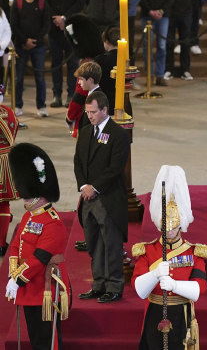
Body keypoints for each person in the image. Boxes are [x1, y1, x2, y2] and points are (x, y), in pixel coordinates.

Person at [132, 165, 207, 350]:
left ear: (181, 224)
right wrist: (155, 274)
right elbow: (139, 290)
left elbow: (200, 288)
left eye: (174, 226)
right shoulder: (147, 251)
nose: (169, 231)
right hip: (156, 311)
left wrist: (175, 286)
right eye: (165, 226)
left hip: (182, 314)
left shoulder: (193, 252)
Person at [5, 143, 71, 350]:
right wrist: (12, 274)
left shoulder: (54, 222)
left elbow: (40, 257)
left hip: (45, 289)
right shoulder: (28, 216)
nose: (24, 200)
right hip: (29, 287)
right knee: (36, 339)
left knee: (46, 341)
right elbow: (16, 246)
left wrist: (17, 279)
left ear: (39, 194)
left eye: (26, 196)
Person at [74, 90, 130, 303]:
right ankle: (98, 284)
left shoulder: (119, 135)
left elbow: (115, 168)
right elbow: (78, 162)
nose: (89, 116)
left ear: (105, 110)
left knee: (111, 244)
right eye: (87, 112)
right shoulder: (86, 132)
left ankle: (114, 286)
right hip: (88, 199)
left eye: (93, 112)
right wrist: (83, 186)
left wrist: (94, 187)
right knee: (94, 243)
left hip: (108, 198)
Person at [42, 0, 85, 109]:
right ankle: (57, 95)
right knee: (55, 64)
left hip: (72, 28)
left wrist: (65, 17)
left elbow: (80, 4)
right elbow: (45, 3)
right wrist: (57, 18)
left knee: (72, 63)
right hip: (54, 29)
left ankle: (71, 95)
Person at [10, 0, 50, 118]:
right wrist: (24, 41)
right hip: (21, 46)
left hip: (38, 47)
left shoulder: (42, 3)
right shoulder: (18, 4)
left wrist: (35, 40)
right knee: (18, 77)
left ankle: (42, 106)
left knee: (40, 77)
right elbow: (13, 25)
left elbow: (46, 25)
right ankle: (18, 105)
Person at [164, 0, 197, 81]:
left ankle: (185, 70)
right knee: (169, 42)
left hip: (185, 13)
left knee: (185, 42)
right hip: (170, 13)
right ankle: (168, 69)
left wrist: (191, 10)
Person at [0, 89, 17, 256]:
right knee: (4, 203)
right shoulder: (9, 112)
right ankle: (0, 243)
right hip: (4, 160)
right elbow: (15, 129)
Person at [115, 0, 141, 66]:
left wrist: (127, 6)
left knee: (129, 41)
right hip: (113, 14)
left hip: (129, 13)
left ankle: (128, 68)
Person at [66, 61, 102, 137]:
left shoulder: (96, 99)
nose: (79, 82)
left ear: (90, 80)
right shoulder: (91, 95)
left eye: (81, 79)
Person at [93, 25, 119, 109]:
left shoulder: (100, 59)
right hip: (121, 100)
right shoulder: (126, 59)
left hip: (104, 101)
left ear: (106, 41)